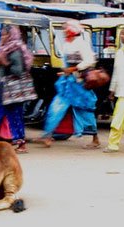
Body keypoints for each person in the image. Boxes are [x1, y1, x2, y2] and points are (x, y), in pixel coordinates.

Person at [38, 20, 100, 149]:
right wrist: (65, 72)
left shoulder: (82, 44)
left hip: (80, 83)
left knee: (85, 111)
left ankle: (95, 138)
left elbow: (90, 61)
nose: (65, 31)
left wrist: (74, 69)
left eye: (66, 29)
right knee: (56, 107)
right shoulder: (66, 44)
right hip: (67, 83)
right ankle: (48, 135)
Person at [0, 25, 37, 153]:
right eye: (1, 35)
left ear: (11, 35)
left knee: (15, 116)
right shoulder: (5, 49)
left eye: (5, 35)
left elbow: (18, 70)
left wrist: (4, 62)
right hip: (5, 90)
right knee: (3, 114)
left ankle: (21, 143)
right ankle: (7, 139)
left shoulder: (15, 50)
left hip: (14, 91)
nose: (2, 37)